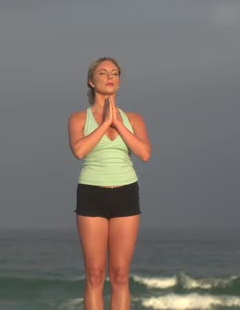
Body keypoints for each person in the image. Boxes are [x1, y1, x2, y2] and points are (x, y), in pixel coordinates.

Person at [67, 57, 152, 310]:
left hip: (126, 194)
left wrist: (118, 124)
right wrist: (105, 123)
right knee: (94, 274)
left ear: (119, 81)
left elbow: (145, 153)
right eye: (103, 73)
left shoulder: (134, 119)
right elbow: (79, 151)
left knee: (120, 275)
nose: (110, 77)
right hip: (91, 194)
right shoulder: (78, 118)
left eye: (114, 73)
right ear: (91, 82)